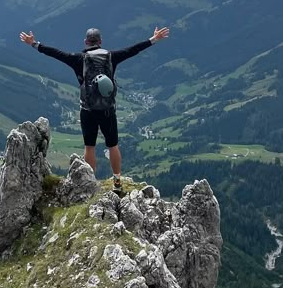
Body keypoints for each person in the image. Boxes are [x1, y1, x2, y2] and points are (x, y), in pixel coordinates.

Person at [19, 25, 170, 190]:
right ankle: (117, 182)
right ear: (100, 42)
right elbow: (133, 50)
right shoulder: (111, 57)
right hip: (108, 110)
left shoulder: (78, 58)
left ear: (85, 42)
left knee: (89, 146)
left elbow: (56, 53)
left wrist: (34, 44)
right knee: (113, 145)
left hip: (87, 110)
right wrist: (153, 39)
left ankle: (90, 182)